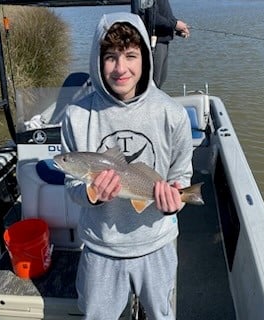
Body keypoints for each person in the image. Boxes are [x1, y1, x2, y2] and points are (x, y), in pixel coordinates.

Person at [61, 12, 193, 320]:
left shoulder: (172, 114)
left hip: (157, 243)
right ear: (97, 59)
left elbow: (181, 175)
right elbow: (72, 188)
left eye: (131, 56)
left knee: (162, 315)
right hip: (101, 249)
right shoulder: (76, 117)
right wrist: (92, 194)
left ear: (145, 57)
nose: (121, 68)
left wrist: (175, 200)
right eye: (110, 57)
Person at [131, 0, 190, 88]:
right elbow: (149, 17)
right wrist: (175, 24)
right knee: (152, 83)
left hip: (162, 42)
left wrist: (177, 29)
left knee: (160, 80)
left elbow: (164, 15)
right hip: (153, 43)